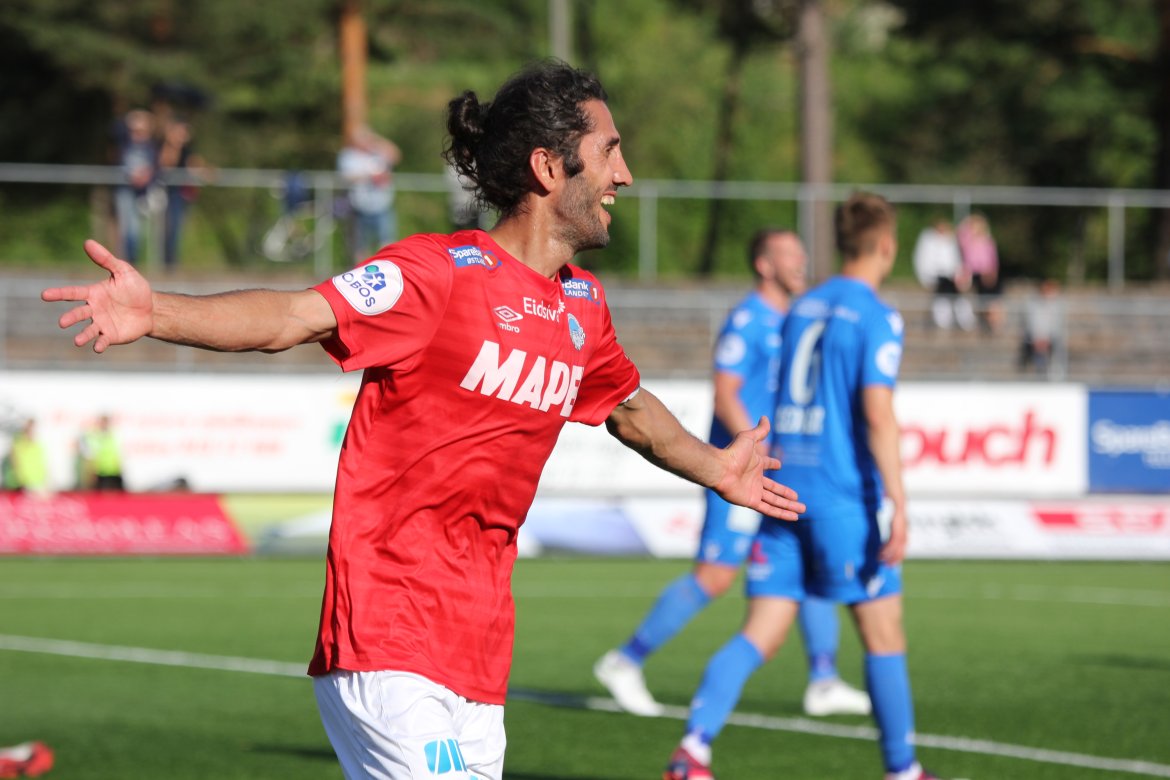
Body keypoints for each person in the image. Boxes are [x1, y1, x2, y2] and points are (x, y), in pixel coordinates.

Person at [42, 61, 804, 780]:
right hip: (387, 630)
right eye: (609, 151)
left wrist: (716, 467)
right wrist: (157, 312)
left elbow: (629, 408)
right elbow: (294, 316)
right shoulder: (436, 275)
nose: (625, 174)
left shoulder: (582, 305)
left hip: (478, 650)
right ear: (548, 168)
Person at [664, 193, 941, 780]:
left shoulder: (800, 308)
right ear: (886, 246)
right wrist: (898, 502)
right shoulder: (876, 315)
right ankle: (903, 770)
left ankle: (693, 749)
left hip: (782, 493)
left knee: (760, 632)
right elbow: (878, 413)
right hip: (842, 498)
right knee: (883, 632)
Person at [593, 229, 870, 719]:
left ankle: (824, 679)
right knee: (716, 575)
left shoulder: (793, 318)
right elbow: (725, 394)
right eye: (789, 255)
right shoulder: (748, 319)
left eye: (802, 253)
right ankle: (625, 660)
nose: (801, 262)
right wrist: (753, 451)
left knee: (806, 562)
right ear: (764, 265)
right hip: (739, 471)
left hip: (775, 470)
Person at [337, 124, 402, 262]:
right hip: (359, 207)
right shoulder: (349, 155)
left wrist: (375, 139)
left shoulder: (378, 152)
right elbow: (346, 176)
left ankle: (386, 270)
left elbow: (396, 154)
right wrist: (370, 177)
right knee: (360, 247)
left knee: (387, 244)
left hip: (383, 206)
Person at [158, 118, 209, 271]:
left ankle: (171, 263)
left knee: (175, 229)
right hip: (164, 193)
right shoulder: (164, 147)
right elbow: (166, 164)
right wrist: (173, 145)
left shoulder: (188, 151)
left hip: (179, 196)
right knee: (165, 229)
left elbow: (198, 166)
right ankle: (165, 263)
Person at [112, 110, 159, 266]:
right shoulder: (124, 142)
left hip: (143, 192)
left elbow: (157, 167)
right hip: (125, 189)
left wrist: (147, 176)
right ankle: (125, 261)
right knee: (126, 226)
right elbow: (114, 129)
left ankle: (133, 261)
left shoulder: (152, 146)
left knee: (137, 228)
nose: (138, 133)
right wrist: (132, 118)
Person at [912, 219, 974, 332]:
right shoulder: (928, 240)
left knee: (954, 291)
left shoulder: (950, 241)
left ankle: (963, 320)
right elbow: (923, 262)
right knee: (945, 291)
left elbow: (955, 262)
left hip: (949, 277)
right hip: (935, 276)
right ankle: (945, 320)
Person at [957, 213, 1004, 333]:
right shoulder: (967, 241)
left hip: (986, 273)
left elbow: (993, 260)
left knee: (994, 296)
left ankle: (993, 321)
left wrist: (991, 272)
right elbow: (960, 233)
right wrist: (968, 222)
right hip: (972, 273)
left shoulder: (988, 241)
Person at [1018, 278, 1065, 378]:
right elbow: (1030, 324)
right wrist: (1037, 338)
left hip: (1050, 339)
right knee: (1031, 348)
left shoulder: (1056, 306)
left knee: (1055, 348)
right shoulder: (1032, 304)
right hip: (1034, 339)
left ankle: (1051, 373)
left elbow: (1056, 326)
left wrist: (1046, 339)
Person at [2, 420, 51, 495]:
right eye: (29, 430)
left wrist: (45, 481)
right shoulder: (17, 445)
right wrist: (21, 481)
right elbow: (15, 463)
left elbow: (42, 464)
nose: (31, 432)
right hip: (22, 484)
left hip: (37, 483)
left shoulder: (37, 446)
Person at [79, 414, 124, 491]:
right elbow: (89, 457)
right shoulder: (93, 437)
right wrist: (90, 472)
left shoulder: (113, 435)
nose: (104, 425)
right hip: (99, 472)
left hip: (114, 472)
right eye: (102, 422)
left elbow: (117, 454)